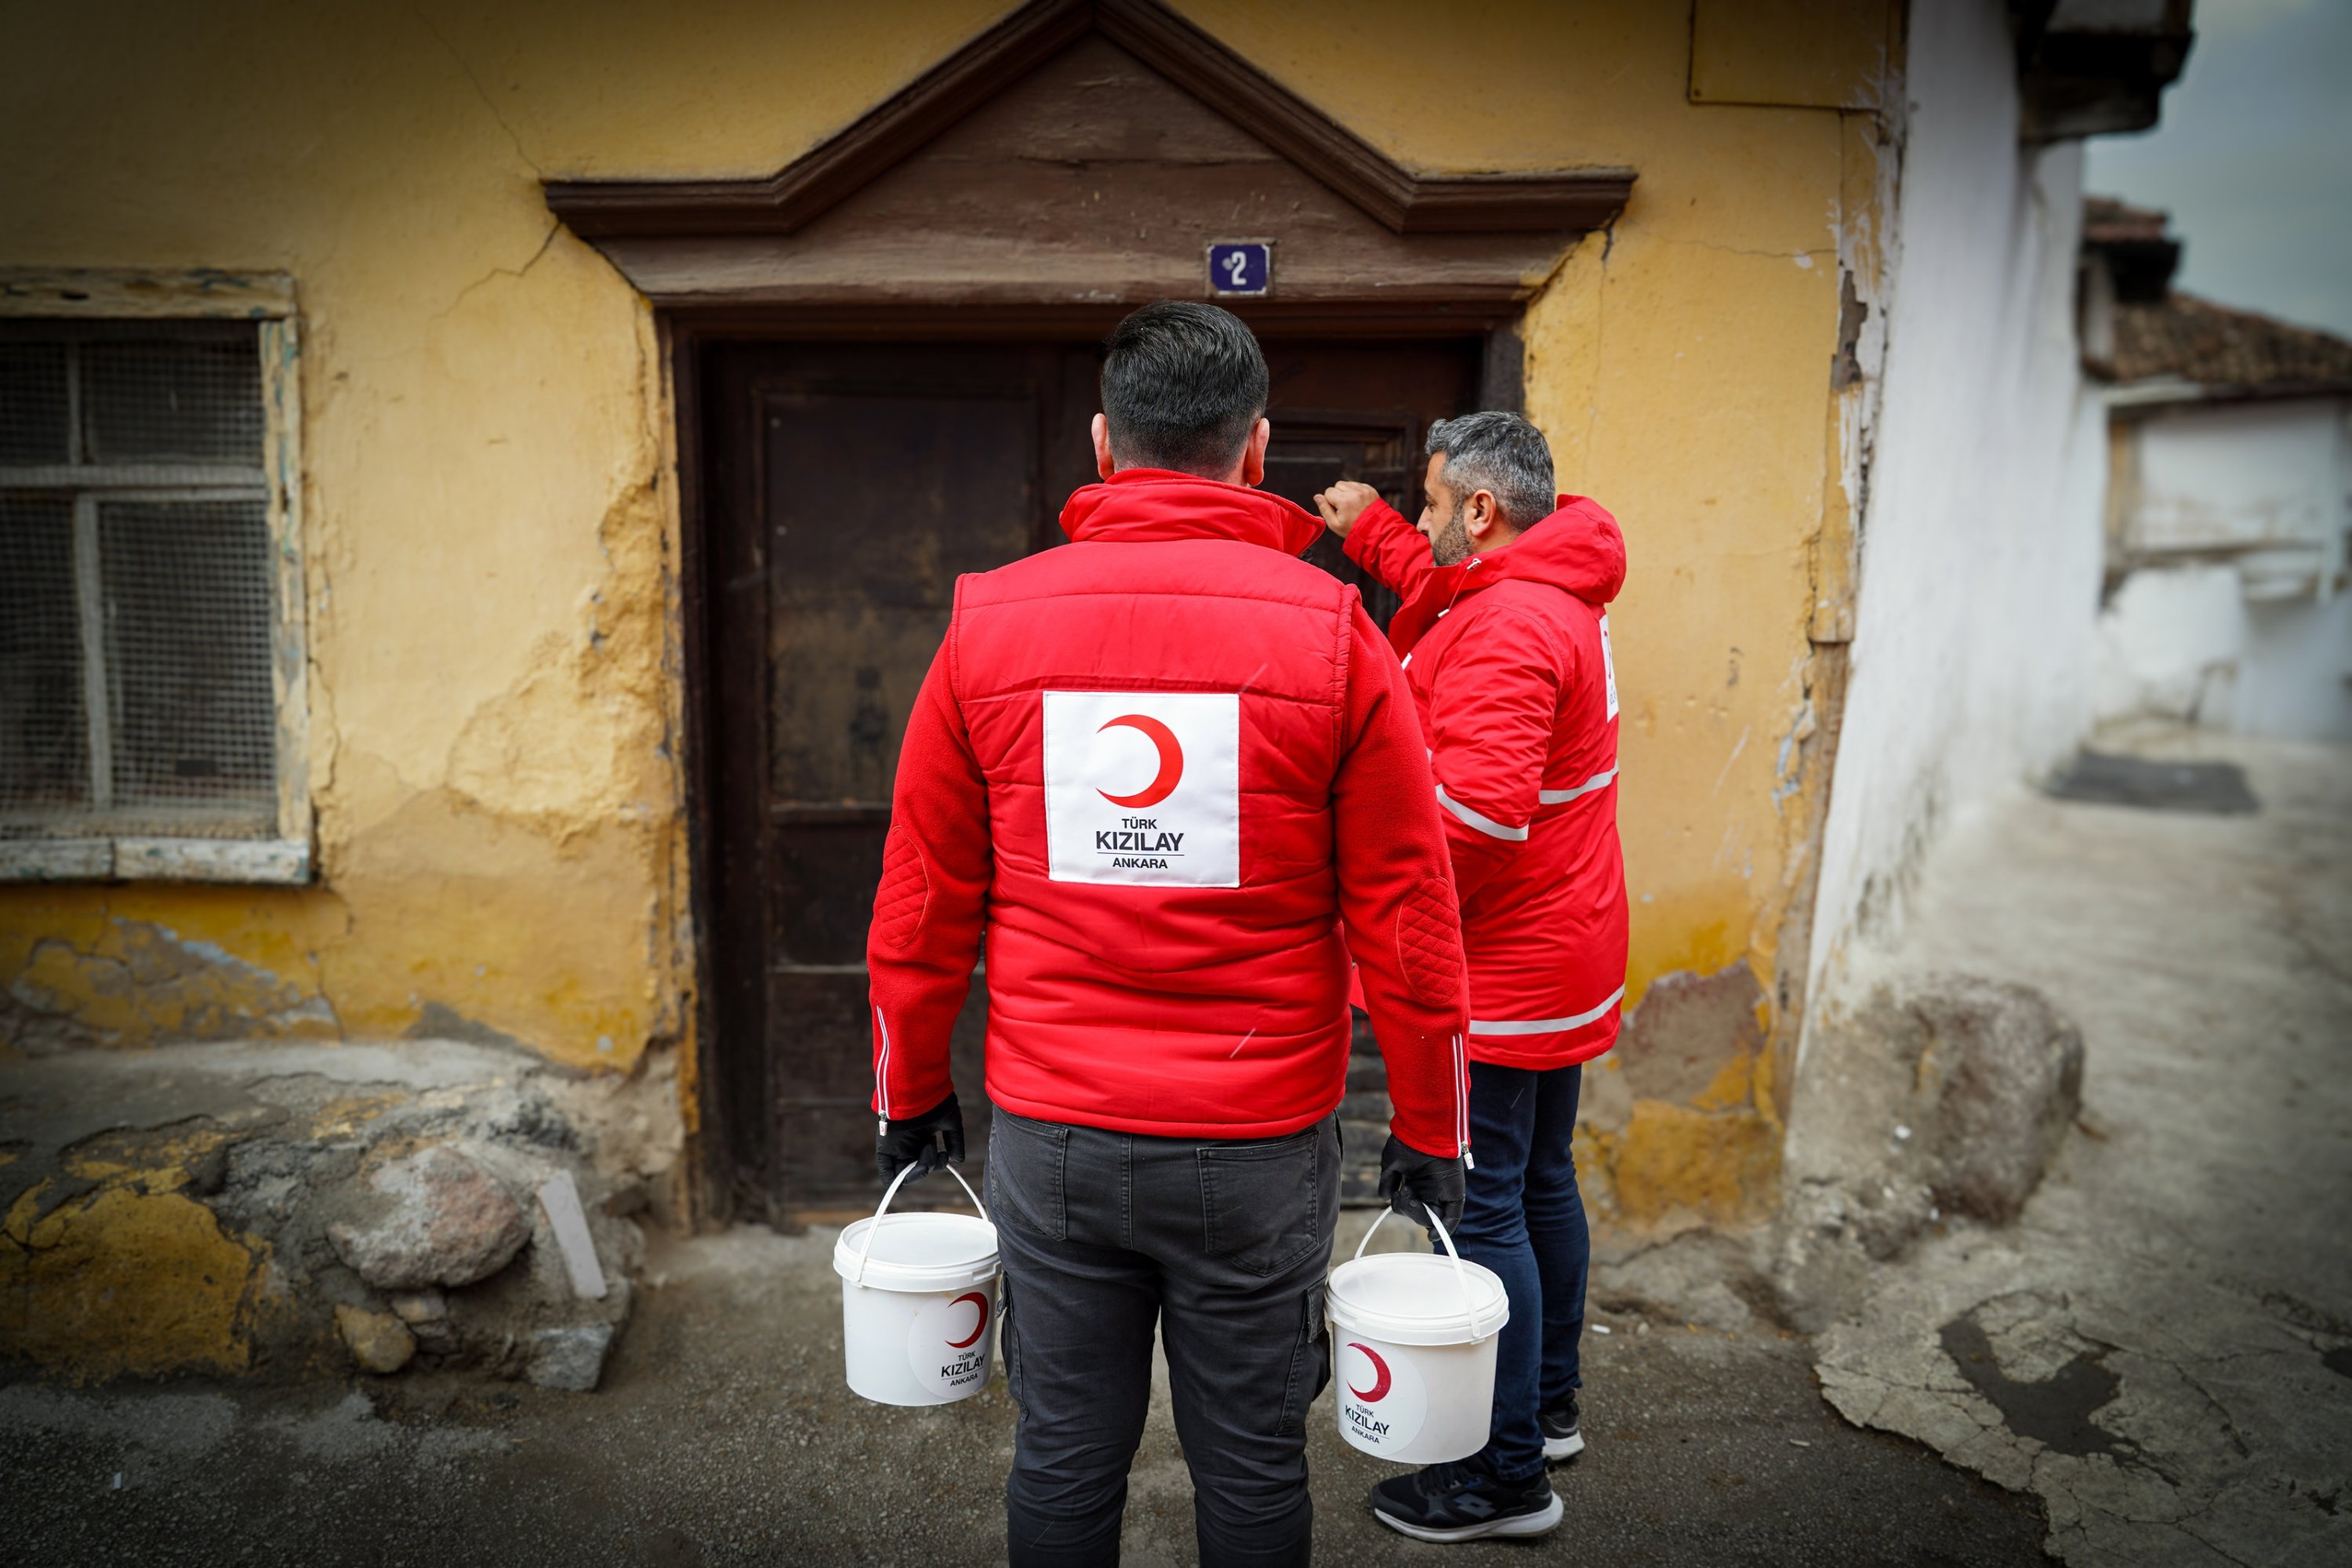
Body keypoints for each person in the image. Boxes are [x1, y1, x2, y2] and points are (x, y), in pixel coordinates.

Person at [865, 300, 1474, 1568]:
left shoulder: (988, 621)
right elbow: (1408, 912)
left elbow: (922, 897)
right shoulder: (1338, 632)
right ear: (1257, 448)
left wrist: (908, 1091)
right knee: (1251, 1465)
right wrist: (1432, 1126)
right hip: (1258, 1145)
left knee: (1063, 1455)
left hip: (1055, 1137)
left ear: (1104, 442)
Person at [1316, 412, 1628, 1544]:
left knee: (1485, 1205)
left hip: (1495, 971)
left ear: (1482, 511)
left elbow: (1477, 823)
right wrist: (1379, 534)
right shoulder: (1550, 585)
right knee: (1541, 1180)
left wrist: (1376, 920)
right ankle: (1546, 1409)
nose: (1426, 516)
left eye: (1435, 502)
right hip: (1560, 949)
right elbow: (1446, 579)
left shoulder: (1507, 628)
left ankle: (1503, 1477)